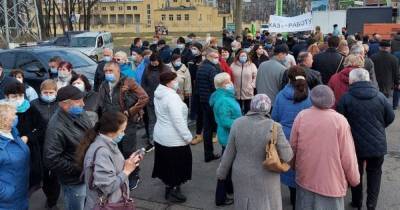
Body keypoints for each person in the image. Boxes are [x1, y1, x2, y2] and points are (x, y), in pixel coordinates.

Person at [217, 94, 293, 210]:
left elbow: (228, 153)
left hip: (241, 175)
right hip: (266, 177)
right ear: (268, 108)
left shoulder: (238, 123)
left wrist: (221, 174)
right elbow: (288, 156)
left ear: (252, 106)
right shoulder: (275, 127)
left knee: (244, 203)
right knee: (266, 204)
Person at [290, 85, 360, 210]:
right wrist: (354, 179)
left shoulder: (301, 116)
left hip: (305, 178)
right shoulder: (340, 121)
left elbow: (293, 147)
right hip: (331, 183)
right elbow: (348, 155)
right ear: (332, 100)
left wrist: (294, 166)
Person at [336, 68, 395, 210]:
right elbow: (390, 116)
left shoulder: (346, 98)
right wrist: (379, 127)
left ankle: (357, 202)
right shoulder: (380, 96)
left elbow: (340, 120)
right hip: (377, 143)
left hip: (353, 143)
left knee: (356, 172)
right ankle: (371, 204)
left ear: (352, 81)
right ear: (368, 79)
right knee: (375, 173)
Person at [76, 112, 143, 210]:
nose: (123, 134)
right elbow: (108, 187)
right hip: (107, 205)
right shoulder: (102, 152)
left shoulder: (107, 143)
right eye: (122, 131)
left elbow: (111, 167)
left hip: (112, 203)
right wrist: (127, 171)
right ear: (111, 132)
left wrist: (128, 162)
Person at [97, 61, 148, 190]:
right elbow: (101, 104)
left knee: (128, 150)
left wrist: (130, 112)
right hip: (110, 124)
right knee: (115, 151)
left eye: (111, 71)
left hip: (127, 124)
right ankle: (121, 174)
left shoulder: (128, 82)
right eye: (106, 71)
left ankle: (134, 175)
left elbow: (144, 97)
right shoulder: (104, 85)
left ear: (118, 71)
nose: (108, 74)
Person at [43, 85, 93, 210]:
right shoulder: (56, 127)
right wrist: (77, 169)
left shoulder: (79, 113)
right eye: (78, 101)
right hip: (74, 180)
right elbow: (51, 158)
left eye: (82, 99)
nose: (82, 104)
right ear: (65, 104)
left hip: (86, 173)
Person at [272, 66, 312, 209]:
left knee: (290, 167)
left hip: (285, 136)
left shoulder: (280, 95)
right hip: (305, 135)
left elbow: (274, 117)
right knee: (303, 166)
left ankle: (293, 196)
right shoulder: (309, 94)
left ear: (288, 78)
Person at [152, 71, 193, 203]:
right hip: (173, 139)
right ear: (169, 83)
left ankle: (171, 188)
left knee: (166, 165)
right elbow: (178, 121)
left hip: (160, 135)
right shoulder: (171, 97)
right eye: (175, 80)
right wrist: (187, 137)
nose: (177, 83)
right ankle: (172, 191)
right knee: (177, 166)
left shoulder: (159, 93)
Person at [209, 73, 241, 206]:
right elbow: (225, 121)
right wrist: (241, 123)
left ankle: (229, 189)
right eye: (229, 81)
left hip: (228, 136)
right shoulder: (223, 100)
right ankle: (221, 197)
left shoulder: (224, 96)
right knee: (226, 168)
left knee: (227, 166)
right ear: (223, 85)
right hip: (228, 137)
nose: (231, 83)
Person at [30, 79, 60, 209]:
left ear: (56, 92)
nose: (48, 95)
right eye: (45, 92)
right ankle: (48, 196)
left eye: (51, 92)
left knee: (55, 175)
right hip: (40, 145)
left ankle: (53, 202)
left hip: (57, 145)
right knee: (44, 174)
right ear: (40, 92)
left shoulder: (61, 104)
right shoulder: (33, 104)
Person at [0, 102, 30, 210]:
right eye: (13, 114)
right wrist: (7, 193)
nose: (16, 117)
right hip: (7, 202)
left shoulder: (13, 132)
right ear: (3, 119)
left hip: (21, 193)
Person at [196, 48, 222, 162]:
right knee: (218, 126)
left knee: (207, 129)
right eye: (215, 57)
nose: (217, 59)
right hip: (212, 101)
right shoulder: (212, 69)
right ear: (209, 57)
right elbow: (215, 86)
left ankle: (208, 154)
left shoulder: (201, 67)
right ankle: (223, 153)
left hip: (203, 100)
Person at [142, 54, 169, 152]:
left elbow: (169, 84)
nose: (153, 63)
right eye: (152, 62)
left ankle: (165, 140)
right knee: (152, 121)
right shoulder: (147, 69)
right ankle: (152, 141)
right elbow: (143, 83)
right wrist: (146, 96)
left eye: (155, 61)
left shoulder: (166, 69)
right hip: (151, 100)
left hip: (163, 100)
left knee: (164, 120)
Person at [187, 42, 204, 145]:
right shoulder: (191, 61)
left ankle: (213, 133)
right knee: (199, 114)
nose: (193, 50)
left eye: (195, 48)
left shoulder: (204, 61)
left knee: (207, 113)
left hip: (204, 90)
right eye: (192, 48)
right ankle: (198, 134)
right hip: (195, 91)